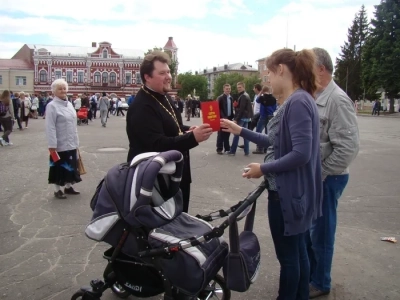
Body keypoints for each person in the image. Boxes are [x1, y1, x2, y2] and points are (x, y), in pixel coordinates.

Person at [221, 48, 323, 300]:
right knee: (297, 254)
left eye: (269, 72)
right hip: (292, 193)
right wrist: (240, 131)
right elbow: (275, 141)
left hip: (288, 196)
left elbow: (301, 154)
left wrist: (262, 168)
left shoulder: (298, 102)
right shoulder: (297, 100)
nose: (268, 78)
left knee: (290, 258)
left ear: (281, 70)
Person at [126, 51, 213, 213]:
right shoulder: (142, 106)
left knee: (180, 219)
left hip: (176, 174)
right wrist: (192, 138)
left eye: (168, 71)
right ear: (147, 77)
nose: (168, 76)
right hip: (157, 181)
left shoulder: (163, 95)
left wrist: (188, 130)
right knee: (165, 227)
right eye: (162, 73)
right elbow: (157, 144)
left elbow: (172, 125)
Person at [308, 47, 359, 299]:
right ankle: (313, 275)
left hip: (330, 177)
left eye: (307, 66)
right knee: (312, 230)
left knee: (322, 232)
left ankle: (320, 281)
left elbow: (348, 147)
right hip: (319, 176)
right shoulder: (315, 95)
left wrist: (322, 174)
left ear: (321, 69)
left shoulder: (337, 100)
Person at [45, 79, 81, 199]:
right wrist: (52, 144)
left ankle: (68, 186)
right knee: (58, 166)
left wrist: (76, 142)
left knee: (70, 165)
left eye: (64, 88)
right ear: (54, 91)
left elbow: (73, 124)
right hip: (59, 143)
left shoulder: (70, 104)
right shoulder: (51, 106)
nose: (63, 91)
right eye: (60, 89)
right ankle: (57, 190)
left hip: (71, 142)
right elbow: (50, 127)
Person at [227, 82, 253, 156]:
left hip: (242, 118)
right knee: (245, 135)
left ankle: (232, 151)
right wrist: (236, 106)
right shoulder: (245, 95)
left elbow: (241, 109)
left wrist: (236, 119)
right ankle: (247, 151)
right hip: (246, 118)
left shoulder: (243, 96)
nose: (238, 89)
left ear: (243, 87)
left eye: (240, 87)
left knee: (236, 134)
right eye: (238, 87)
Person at [253, 85, 277, 154]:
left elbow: (257, 100)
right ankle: (266, 148)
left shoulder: (262, 98)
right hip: (271, 116)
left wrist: (260, 93)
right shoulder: (273, 98)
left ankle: (260, 148)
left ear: (262, 91)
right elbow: (275, 107)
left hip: (263, 116)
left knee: (258, 131)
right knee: (268, 132)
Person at [216, 83, 234, 154]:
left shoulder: (231, 98)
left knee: (227, 133)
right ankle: (219, 148)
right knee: (220, 133)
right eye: (227, 89)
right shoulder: (220, 98)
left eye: (229, 89)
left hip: (229, 118)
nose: (228, 90)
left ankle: (227, 148)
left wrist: (232, 116)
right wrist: (222, 117)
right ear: (224, 89)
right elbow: (218, 109)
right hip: (222, 118)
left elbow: (231, 108)